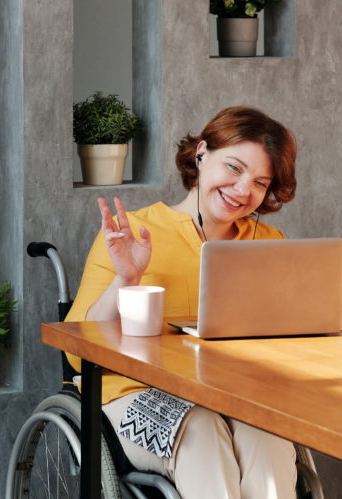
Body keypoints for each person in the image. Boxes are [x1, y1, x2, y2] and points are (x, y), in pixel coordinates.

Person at [64, 106, 298, 498]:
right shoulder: (134, 233)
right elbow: (79, 353)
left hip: (234, 394)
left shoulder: (269, 243)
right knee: (202, 432)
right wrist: (127, 278)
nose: (243, 191)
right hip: (132, 393)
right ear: (202, 153)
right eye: (234, 168)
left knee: (269, 437)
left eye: (260, 182)